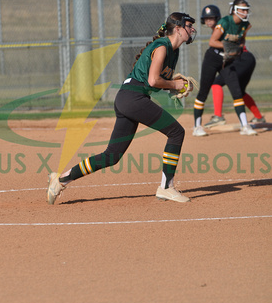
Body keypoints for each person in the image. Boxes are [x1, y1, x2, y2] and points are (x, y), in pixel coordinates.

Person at [47, 12, 197, 205]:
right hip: (133, 98)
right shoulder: (162, 47)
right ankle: (166, 187)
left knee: (112, 156)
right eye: (188, 25)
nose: (192, 29)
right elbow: (153, 80)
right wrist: (175, 85)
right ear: (177, 29)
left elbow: (152, 82)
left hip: (128, 98)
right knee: (176, 132)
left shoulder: (173, 50)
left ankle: (60, 180)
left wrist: (171, 84)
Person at [193, 0, 257, 136]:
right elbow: (212, 41)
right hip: (213, 58)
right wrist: (228, 46)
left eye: (246, 10)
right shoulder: (225, 22)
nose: (245, 12)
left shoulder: (245, 24)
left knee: (237, 92)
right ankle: (197, 127)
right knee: (203, 92)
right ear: (234, 10)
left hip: (227, 60)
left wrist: (238, 48)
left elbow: (242, 39)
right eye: (242, 10)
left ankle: (245, 126)